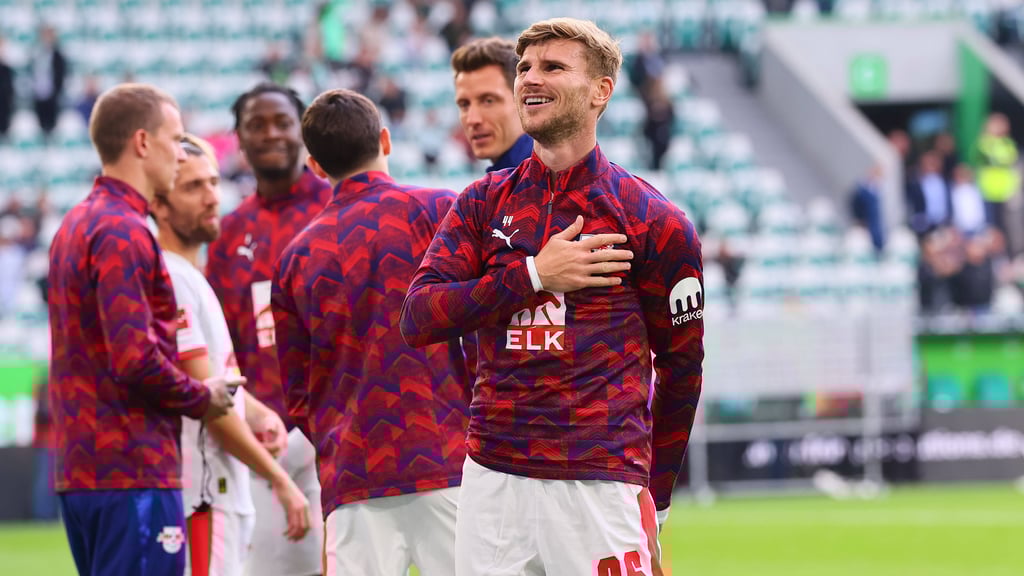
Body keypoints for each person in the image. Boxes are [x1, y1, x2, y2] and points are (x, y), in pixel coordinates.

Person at [401, 18, 704, 576]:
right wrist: (535, 276)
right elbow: (418, 316)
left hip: (599, 479)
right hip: (492, 478)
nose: (530, 79)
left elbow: (682, 368)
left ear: (601, 91)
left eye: (552, 67)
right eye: (524, 68)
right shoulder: (481, 202)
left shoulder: (654, 221)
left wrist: (655, 497)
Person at [272, 89, 470, 576]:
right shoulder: (439, 211)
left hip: (353, 471)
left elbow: (297, 393)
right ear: (385, 139)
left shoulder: (295, 257)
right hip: (448, 455)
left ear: (315, 166)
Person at [47, 83, 234, 576]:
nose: (182, 151)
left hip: (82, 468)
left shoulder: (75, 224)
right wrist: (201, 396)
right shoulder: (124, 230)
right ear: (142, 143)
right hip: (132, 465)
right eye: (175, 138)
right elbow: (134, 357)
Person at [154, 134, 312, 576]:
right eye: (192, 187)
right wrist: (280, 480)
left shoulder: (190, 275)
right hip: (203, 491)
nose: (211, 198)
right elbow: (208, 402)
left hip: (217, 490)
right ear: (159, 203)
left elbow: (215, 384)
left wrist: (256, 412)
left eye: (212, 182)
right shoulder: (173, 279)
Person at [205, 82, 330, 576]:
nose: (270, 134)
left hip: (335, 435)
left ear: (302, 131)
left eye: (281, 122)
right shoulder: (227, 233)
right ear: (239, 137)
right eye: (256, 125)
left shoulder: (337, 208)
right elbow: (222, 346)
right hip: (262, 441)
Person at [451, 37, 534, 172]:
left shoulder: (546, 178)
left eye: (488, 101)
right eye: (464, 105)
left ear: (525, 100)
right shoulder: (505, 180)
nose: (473, 120)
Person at [30, 25, 67, 140]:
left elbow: (61, 74)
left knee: (52, 124)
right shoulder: (35, 54)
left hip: (52, 95)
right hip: (38, 94)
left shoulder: (58, 55)